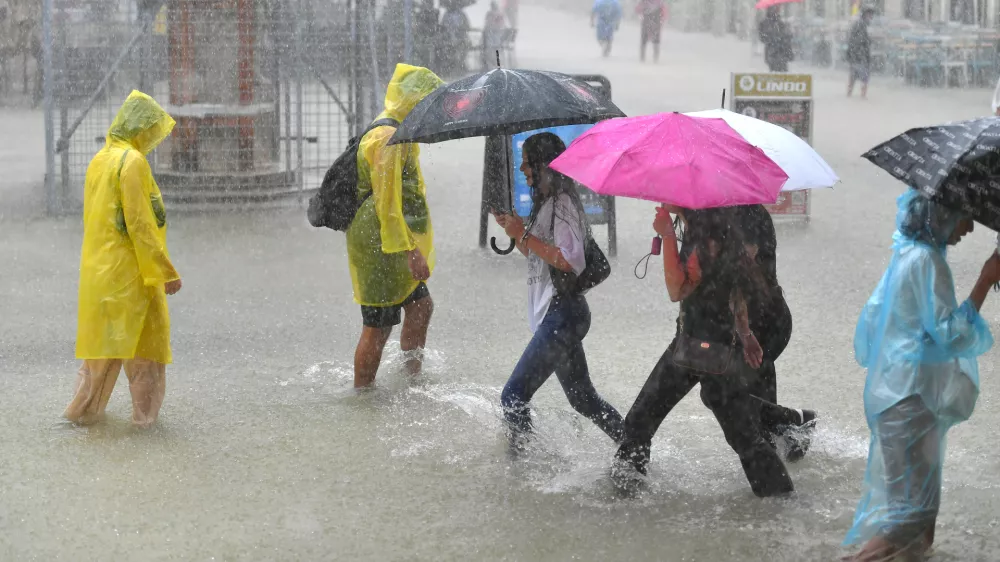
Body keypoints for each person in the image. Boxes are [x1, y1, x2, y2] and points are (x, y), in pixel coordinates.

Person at [844, 192, 1000, 561]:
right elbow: (953, 335)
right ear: (941, 215)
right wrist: (985, 279)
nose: (970, 227)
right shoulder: (928, 261)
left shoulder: (906, 255)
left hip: (895, 395)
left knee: (920, 523)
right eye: (965, 216)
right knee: (911, 518)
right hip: (911, 400)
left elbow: (872, 323)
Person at [613, 206, 794, 498]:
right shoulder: (721, 228)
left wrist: (668, 236)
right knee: (744, 438)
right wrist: (745, 335)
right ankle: (781, 498)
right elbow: (736, 293)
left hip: (697, 349)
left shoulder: (701, 238)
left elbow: (677, 290)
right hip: (719, 349)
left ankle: (623, 497)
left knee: (639, 421)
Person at [493, 133, 624, 449]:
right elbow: (542, 259)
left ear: (544, 165)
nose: (523, 169)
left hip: (562, 315)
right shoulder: (547, 203)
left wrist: (522, 235)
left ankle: (521, 472)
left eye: (528, 163)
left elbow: (570, 261)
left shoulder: (563, 203)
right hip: (559, 315)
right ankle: (632, 445)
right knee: (583, 398)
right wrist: (515, 231)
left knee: (513, 395)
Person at [64, 90, 181, 428]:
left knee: (99, 360)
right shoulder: (132, 163)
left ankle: (77, 421)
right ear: (140, 127)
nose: (152, 139)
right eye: (152, 130)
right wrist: (164, 271)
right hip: (133, 280)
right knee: (147, 356)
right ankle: (145, 429)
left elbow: (97, 221)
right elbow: (140, 224)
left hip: (100, 278)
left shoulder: (100, 160)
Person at [347, 64, 445, 389]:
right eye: (428, 102)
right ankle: (363, 396)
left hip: (392, 239)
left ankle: (410, 381)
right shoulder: (387, 137)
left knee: (420, 306)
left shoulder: (401, 131)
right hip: (380, 242)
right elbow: (386, 206)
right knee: (378, 325)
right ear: (414, 100)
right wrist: (410, 250)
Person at [734, 204, 816, 462]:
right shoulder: (730, 212)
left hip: (765, 323)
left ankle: (796, 420)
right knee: (745, 396)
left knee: (732, 394)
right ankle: (789, 428)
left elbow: (740, 268)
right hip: (755, 321)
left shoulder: (746, 214)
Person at [847, 6, 875, 98]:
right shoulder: (862, 24)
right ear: (865, 14)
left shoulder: (861, 24)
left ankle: (850, 95)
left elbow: (852, 39)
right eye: (870, 14)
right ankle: (862, 96)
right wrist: (869, 41)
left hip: (857, 56)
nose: (871, 16)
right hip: (860, 56)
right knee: (863, 77)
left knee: (853, 76)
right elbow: (861, 40)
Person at [757, 7, 793, 72]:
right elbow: (762, 38)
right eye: (773, 9)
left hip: (782, 52)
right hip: (771, 52)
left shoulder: (781, 22)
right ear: (769, 10)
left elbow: (787, 37)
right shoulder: (764, 23)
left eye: (777, 9)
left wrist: (787, 32)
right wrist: (772, 37)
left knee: (783, 73)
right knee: (774, 72)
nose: (775, 10)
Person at [481, 2, 507, 70]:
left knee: (490, 51)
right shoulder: (500, 14)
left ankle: (489, 66)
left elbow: (487, 25)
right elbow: (502, 26)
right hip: (497, 39)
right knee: (496, 51)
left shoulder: (490, 14)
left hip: (492, 40)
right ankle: (497, 65)